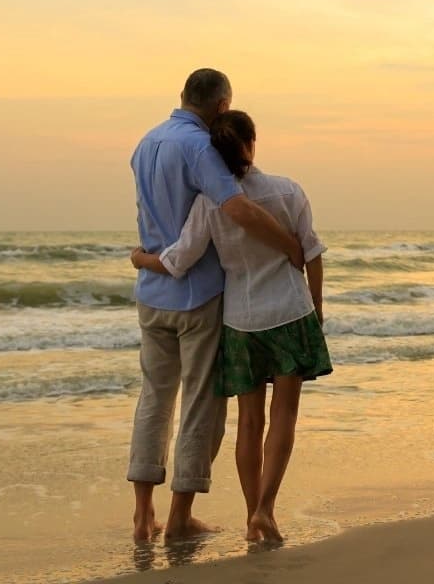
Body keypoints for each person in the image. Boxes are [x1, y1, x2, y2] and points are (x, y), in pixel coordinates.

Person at [132, 109, 331, 545]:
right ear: (252, 142)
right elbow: (311, 253)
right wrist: (316, 309)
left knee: (249, 421)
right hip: (290, 312)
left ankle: (249, 517)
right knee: (285, 416)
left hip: (240, 319)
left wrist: (141, 259)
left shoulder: (209, 204)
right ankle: (266, 510)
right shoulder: (288, 190)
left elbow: (178, 259)